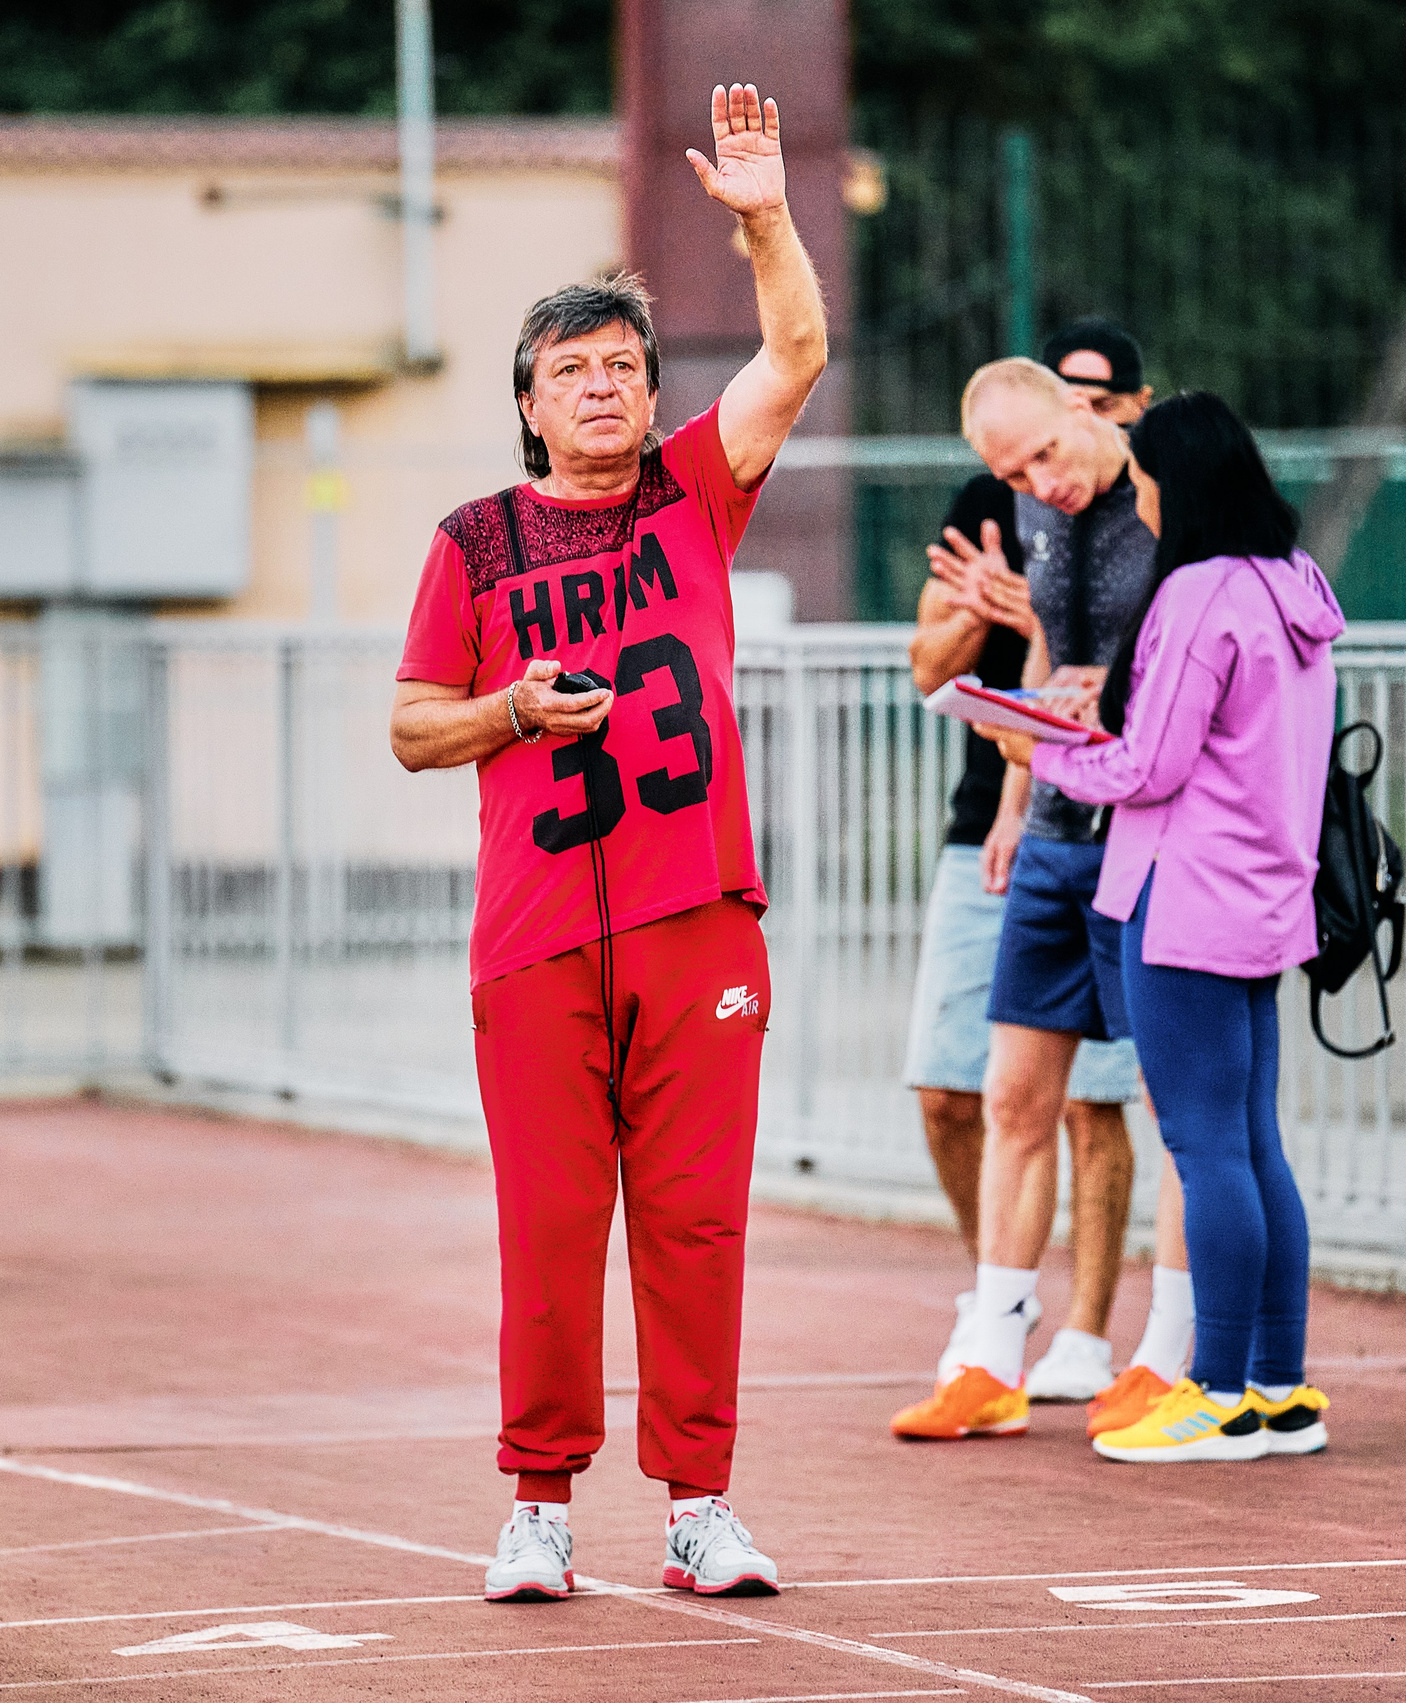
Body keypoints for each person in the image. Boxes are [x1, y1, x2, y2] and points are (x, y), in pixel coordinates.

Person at [390, 84, 825, 1602]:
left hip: (695, 907)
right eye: (571, 370)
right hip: (536, 927)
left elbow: (799, 353)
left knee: (698, 1223)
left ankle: (700, 1503)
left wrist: (763, 219)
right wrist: (510, 706)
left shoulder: (696, 494)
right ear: (526, 398)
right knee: (553, 1226)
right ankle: (538, 1504)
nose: (600, 389)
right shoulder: (475, 539)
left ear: (653, 393)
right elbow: (409, 722)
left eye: (624, 367)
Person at [1007, 390, 1343, 1463]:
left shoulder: (1196, 594)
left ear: (1180, 484)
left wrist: (1042, 751)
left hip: (1182, 893)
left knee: (1204, 1150)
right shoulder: (1295, 584)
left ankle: (1216, 1388)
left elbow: (1149, 766)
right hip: (1263, 892)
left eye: (1146, 485)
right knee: (1250, 1141)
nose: (1139, 504)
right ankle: (1278, 1384)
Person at [890, 351, 1189, 1441]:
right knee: (1012, 1096)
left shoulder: (1168, 493)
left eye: (1046, 456)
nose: (1038, 485)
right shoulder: (1040, 514)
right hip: (1058, 828)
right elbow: (1055, 651)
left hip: (1154, 837)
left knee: (1174, 1105)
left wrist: (1108, 704)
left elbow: (1191, 654)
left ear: (1084, 411)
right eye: (1012, 474)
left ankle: (1164, 1354)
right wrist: (1017, 788)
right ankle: (991, 1356)